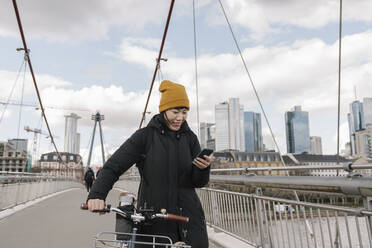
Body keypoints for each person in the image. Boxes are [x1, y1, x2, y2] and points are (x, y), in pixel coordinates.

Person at [87, 80, 212, 248]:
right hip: (153, 221)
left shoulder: (191, 139)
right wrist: (96, 195)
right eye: (175, 112)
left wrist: (203, 169)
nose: (180, 118)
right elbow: (113, 166)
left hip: (189, 220)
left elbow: (198, 182)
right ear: (164, 109)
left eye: (184, 112)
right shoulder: (144, 137)